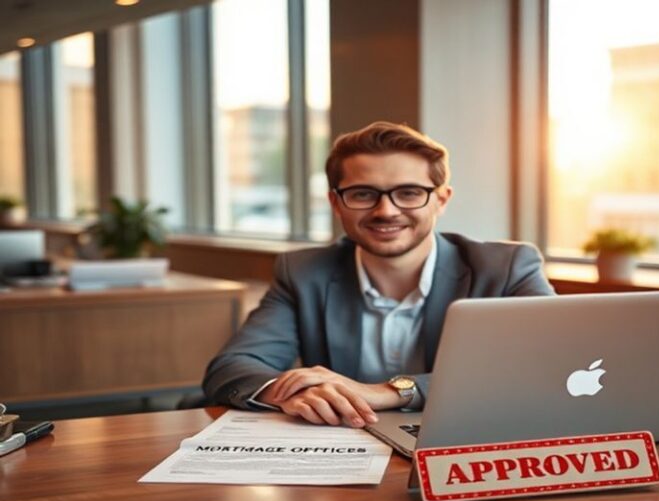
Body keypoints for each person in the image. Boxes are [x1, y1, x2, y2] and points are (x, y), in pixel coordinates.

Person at [202, 121, 554, 428]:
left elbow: (546, 363)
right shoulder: (303, 273)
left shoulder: (507, 268)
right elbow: (233, 367)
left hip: (465, 445)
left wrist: (388, 392)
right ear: (336, 202)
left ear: (441, 200)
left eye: (409, 193)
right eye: (363, 194)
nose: (386, 211)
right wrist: (295, 394)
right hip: (344, 454)